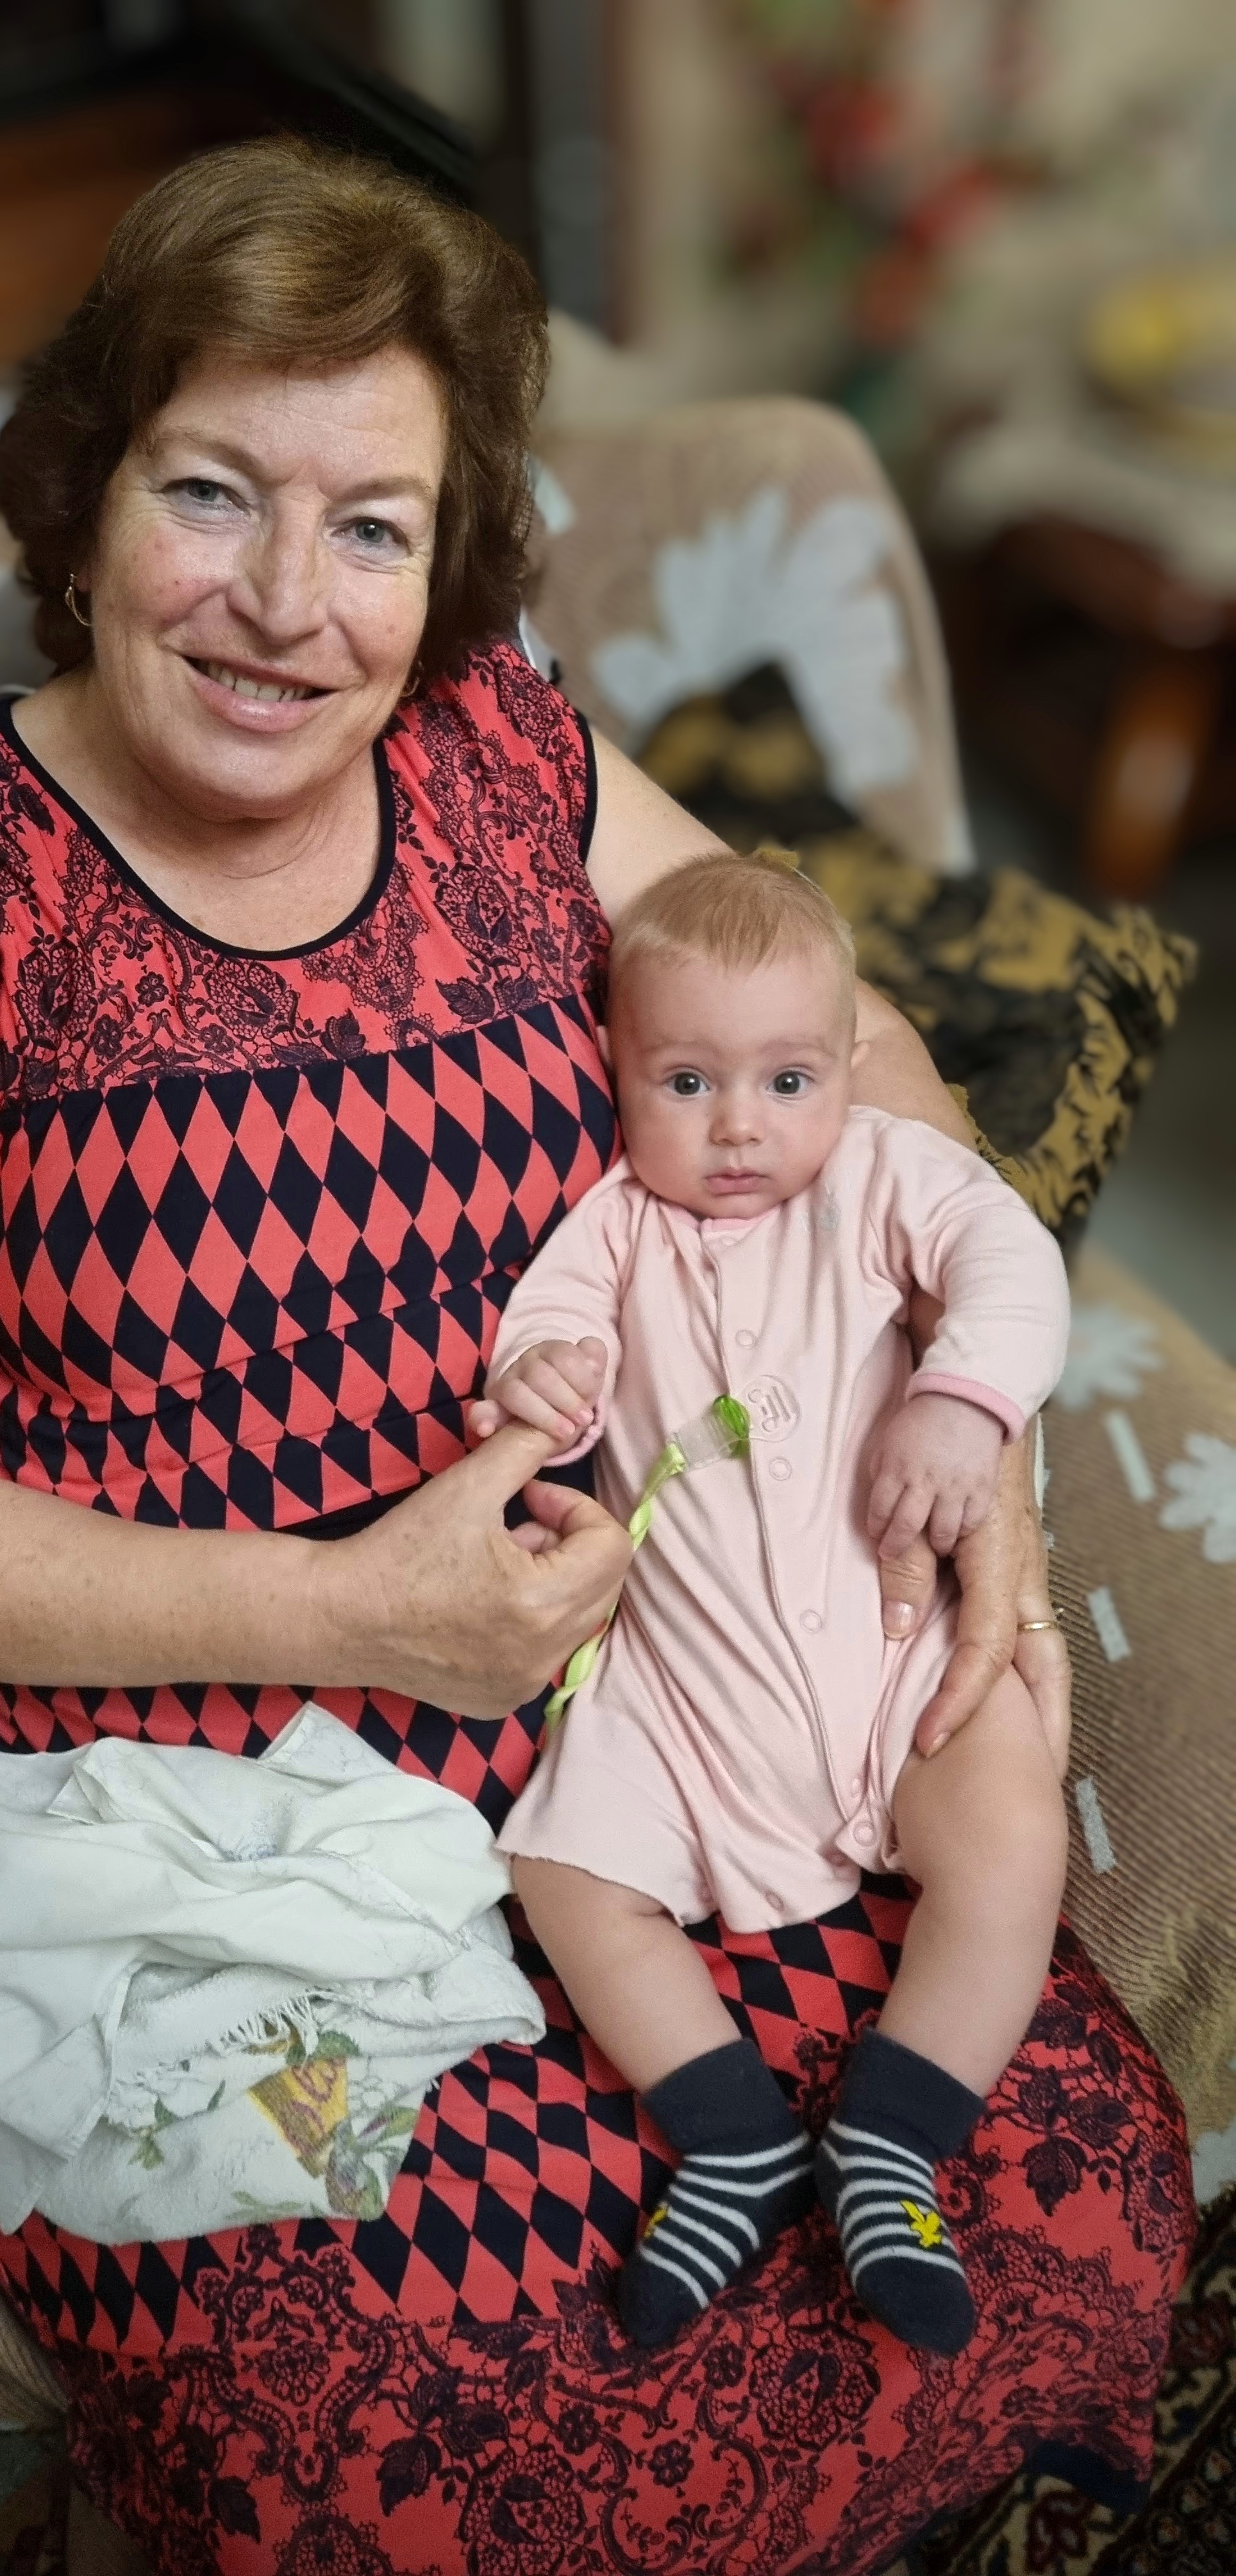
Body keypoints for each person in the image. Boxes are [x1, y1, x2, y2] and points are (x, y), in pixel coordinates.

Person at [0, 133, 1119, 2576]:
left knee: (1009, 2196)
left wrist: (978, 1433)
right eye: (212, 492)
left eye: (372, 526)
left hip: (658, 1691)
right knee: (409, 2451)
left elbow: (846, 1046)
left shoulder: (501, 750)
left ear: (450, 562)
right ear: (84, 500)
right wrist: (352, 1612)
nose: (288, 605)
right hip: (205, 1794)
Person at [475, 851, 1071, 2354]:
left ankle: (893, 2136)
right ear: (614, 1069)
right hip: (685, 1701)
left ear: (848, 1066)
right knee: (560, 1866)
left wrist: (965, 1402)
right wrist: (543, 1376)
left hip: (896, 1665)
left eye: (788, 1080)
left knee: (1014, 1834)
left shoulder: (878, 1178)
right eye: (686, 1082)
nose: (740, 1125)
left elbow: (1011, 1261)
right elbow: (540, 1330)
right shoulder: (614, 1227)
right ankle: (731, 2135)